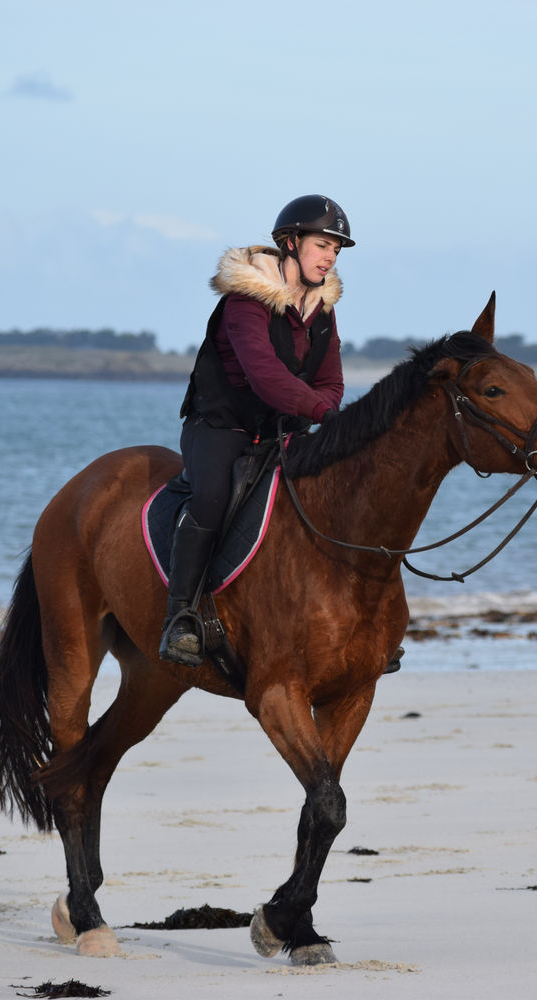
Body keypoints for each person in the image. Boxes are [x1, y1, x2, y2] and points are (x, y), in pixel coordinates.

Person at [158, 194, 353, 667]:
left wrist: (324, 412)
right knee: (211, 497)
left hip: (282, 433)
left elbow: (331, 381)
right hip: (220, 427)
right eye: (322, 245)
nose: (329, 257)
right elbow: (265, 377)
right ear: (290, 243)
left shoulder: (321, 310)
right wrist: (324, 415)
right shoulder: (246, 301)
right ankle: (181, 616)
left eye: (336, 250)